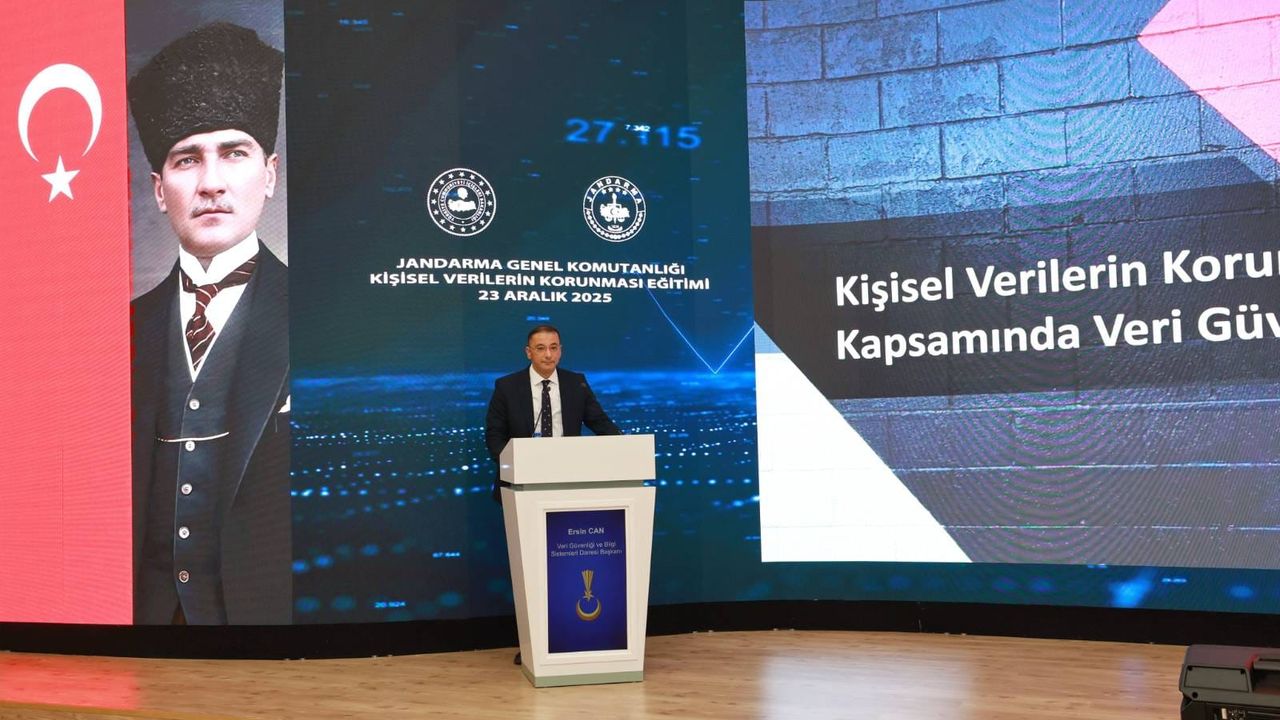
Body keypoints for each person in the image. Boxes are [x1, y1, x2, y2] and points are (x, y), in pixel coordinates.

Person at [128, 22, 290, 625]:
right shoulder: (122, 330)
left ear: (269, 174)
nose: (212, 183)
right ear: (158, 189)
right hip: (146, 627)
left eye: (235, 153)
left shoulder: (318, 315)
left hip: (266, 628)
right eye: (187, 159)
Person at [485, 325, 622, 500]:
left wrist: (624, 445)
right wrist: (512, 466)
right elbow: (495, 435)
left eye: (554, 347)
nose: (548, 355)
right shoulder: (507, 386)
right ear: (528, 352)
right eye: (541, 348)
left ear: (560, 351)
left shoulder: (576, 383)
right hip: (521, 480)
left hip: (569, 476)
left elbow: (600, 422)